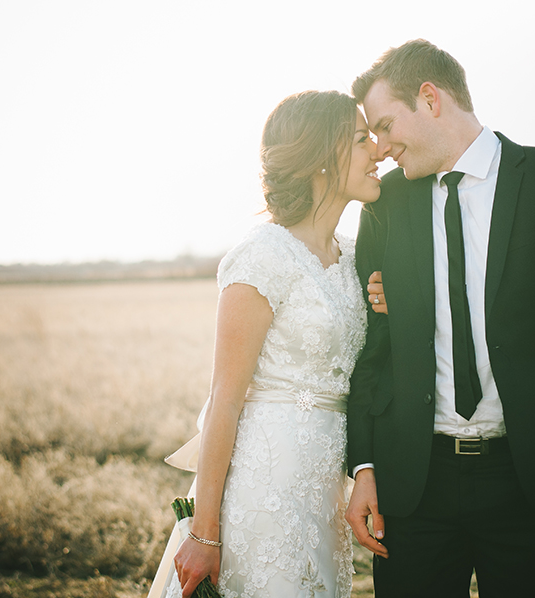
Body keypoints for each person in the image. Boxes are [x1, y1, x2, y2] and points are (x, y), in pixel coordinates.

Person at [345, 40, 535, 597]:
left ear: (429, 99)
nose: (379, 148)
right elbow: (371, 348)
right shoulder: (385, 203)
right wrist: (366, 466)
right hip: (414, 486)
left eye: (384, 125)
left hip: (531, 482)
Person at [151, 90, 381, 598]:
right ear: (323, 157)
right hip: (265, 484)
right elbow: (224, 401)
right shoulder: (261, 257)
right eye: (362, 138)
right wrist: (204, 531)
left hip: (324, 487)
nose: (378, 150)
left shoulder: (354, 257)